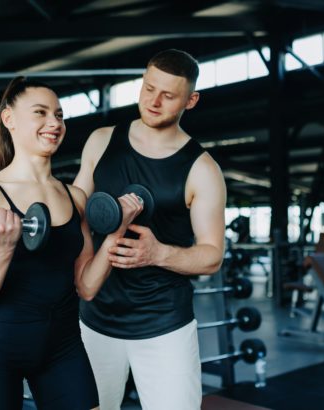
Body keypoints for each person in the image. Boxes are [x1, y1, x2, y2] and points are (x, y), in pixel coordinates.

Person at [0, 76, 142, 410]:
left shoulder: (74, 197)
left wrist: (116, 233)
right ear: (9, 119)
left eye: (59, 115)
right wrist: (2, 249)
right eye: (40, 113)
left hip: (63, 350)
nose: (53, 123)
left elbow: (87, 286)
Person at [74, 49, 227, 410]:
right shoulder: (101, 141)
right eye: (148, 88)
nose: (153, 102)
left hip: (164, 325)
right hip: (94, 320)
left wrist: (157, 253)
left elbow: (211, 256)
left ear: (191, 100)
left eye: (168, 95)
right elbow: (76, 211)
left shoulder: (202, 169)